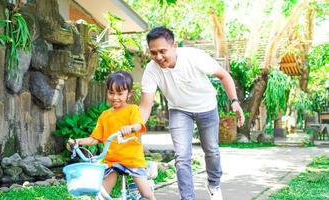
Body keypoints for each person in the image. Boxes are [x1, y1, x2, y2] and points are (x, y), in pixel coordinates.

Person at [139, 27, 245, 200]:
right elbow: (145, 105)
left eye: (162, 51)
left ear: (174, 45)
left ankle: (214, 184)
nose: (158, 57)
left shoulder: (194, 57)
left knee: (211, 150)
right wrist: (137, 126)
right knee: (182, 156)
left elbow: (224, 75)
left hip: (207, 107)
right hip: (179, 110)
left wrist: (234, 102)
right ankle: (187, 198)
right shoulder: (152, 70)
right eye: (153, 52)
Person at [69, 70, 156, 200]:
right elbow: (95, 138)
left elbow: (139, 125)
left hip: (132, 160)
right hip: (112, 161)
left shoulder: (132, 110)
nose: (115, 97)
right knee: (102, 194)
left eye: (120, 93)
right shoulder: (105, 115)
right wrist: (78, 141)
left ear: (129, 94)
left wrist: (130, 128)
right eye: (111, 93)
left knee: (147, 194)